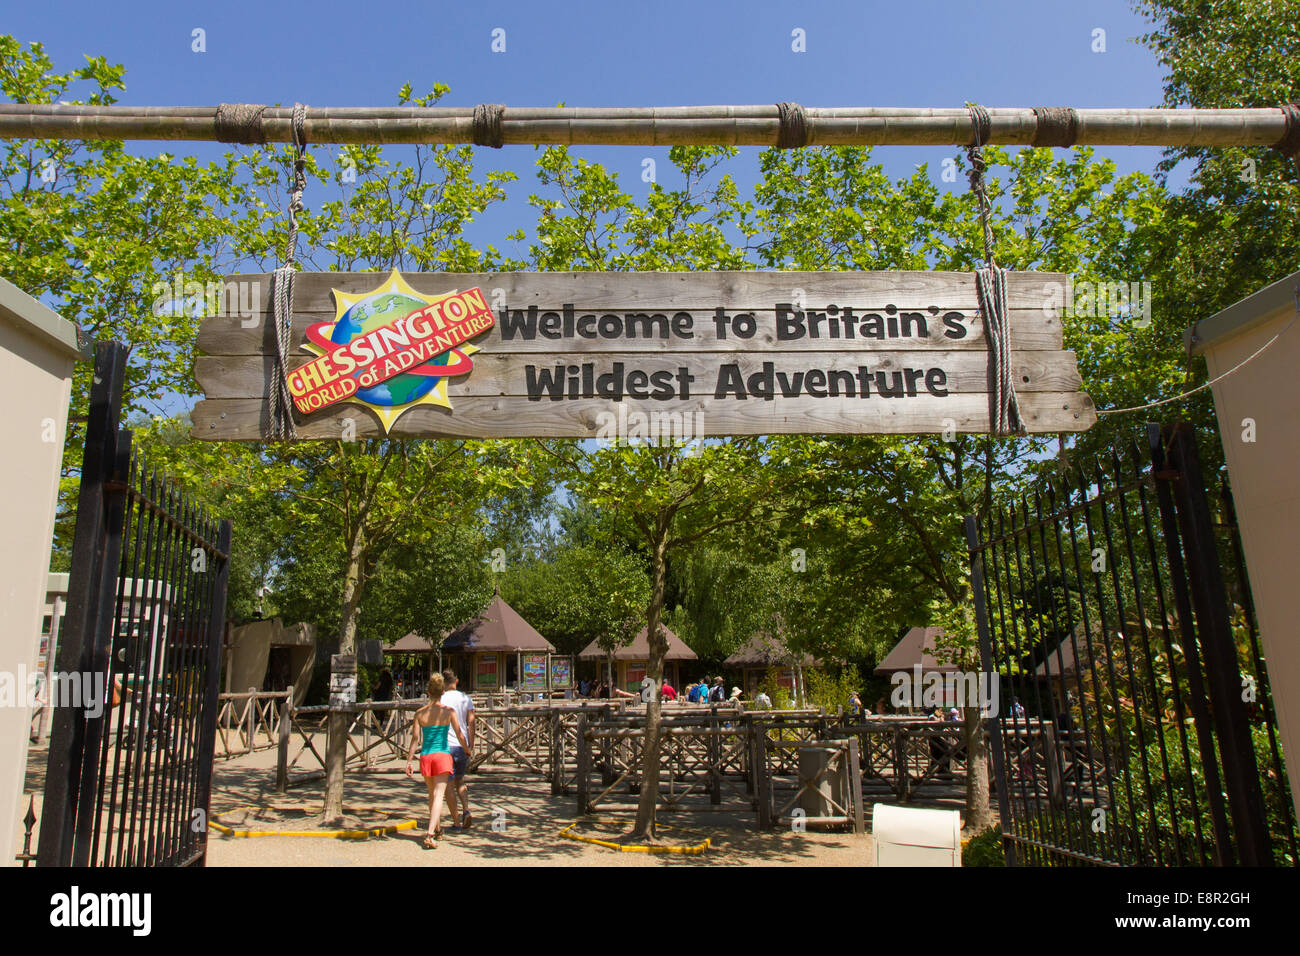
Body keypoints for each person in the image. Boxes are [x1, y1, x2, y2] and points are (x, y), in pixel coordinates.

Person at [405, 673, 468, 849]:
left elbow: (415, 739)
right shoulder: (448, 712)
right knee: (439, 795)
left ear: (428, 692)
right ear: (442, 692)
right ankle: (430, 833)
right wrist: (467, 749)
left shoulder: (420, 713)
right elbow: (459, 734)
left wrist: (409, 760)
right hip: (442, 755)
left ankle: (438, 829)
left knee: (432, 794)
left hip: (426, 756)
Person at [439, 669, 475, 830]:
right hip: (462, 744)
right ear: (457, 681)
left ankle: (456, 820)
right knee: (460, 780)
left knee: (448, 784)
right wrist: (471, 744)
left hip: (445, 745)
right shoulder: (465, 698)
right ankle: (466, 809)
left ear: (444, 684)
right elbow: (471, 722)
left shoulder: (441, 698)